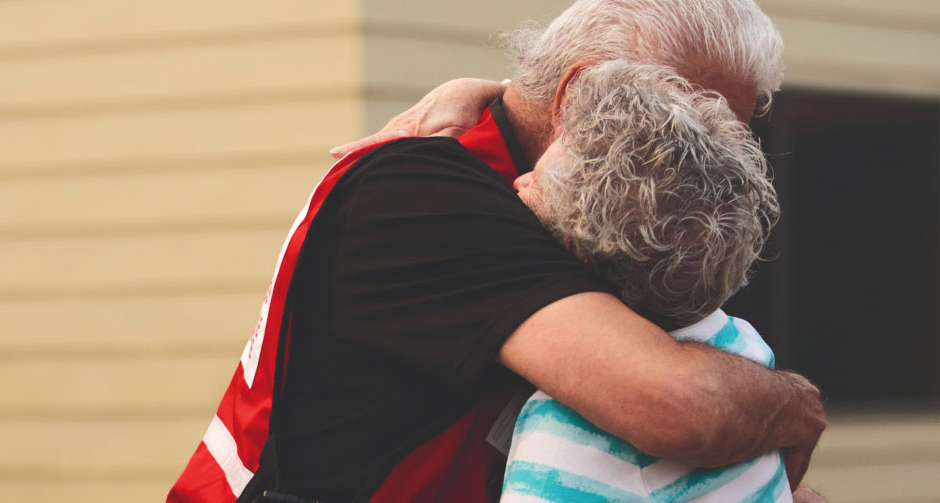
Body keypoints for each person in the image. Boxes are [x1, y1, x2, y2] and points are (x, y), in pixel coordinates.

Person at [169, 1, 826, 502]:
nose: (708, 171)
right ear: (576, 100)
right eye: (691, 129)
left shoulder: (599, 209)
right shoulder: (422, 195)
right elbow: (682, 406)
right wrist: (792, 403)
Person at [500, 60, 788, 502]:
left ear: (583, 253)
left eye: (542, 181)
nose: (520, 180)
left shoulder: (564, 442)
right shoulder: (740, 343)